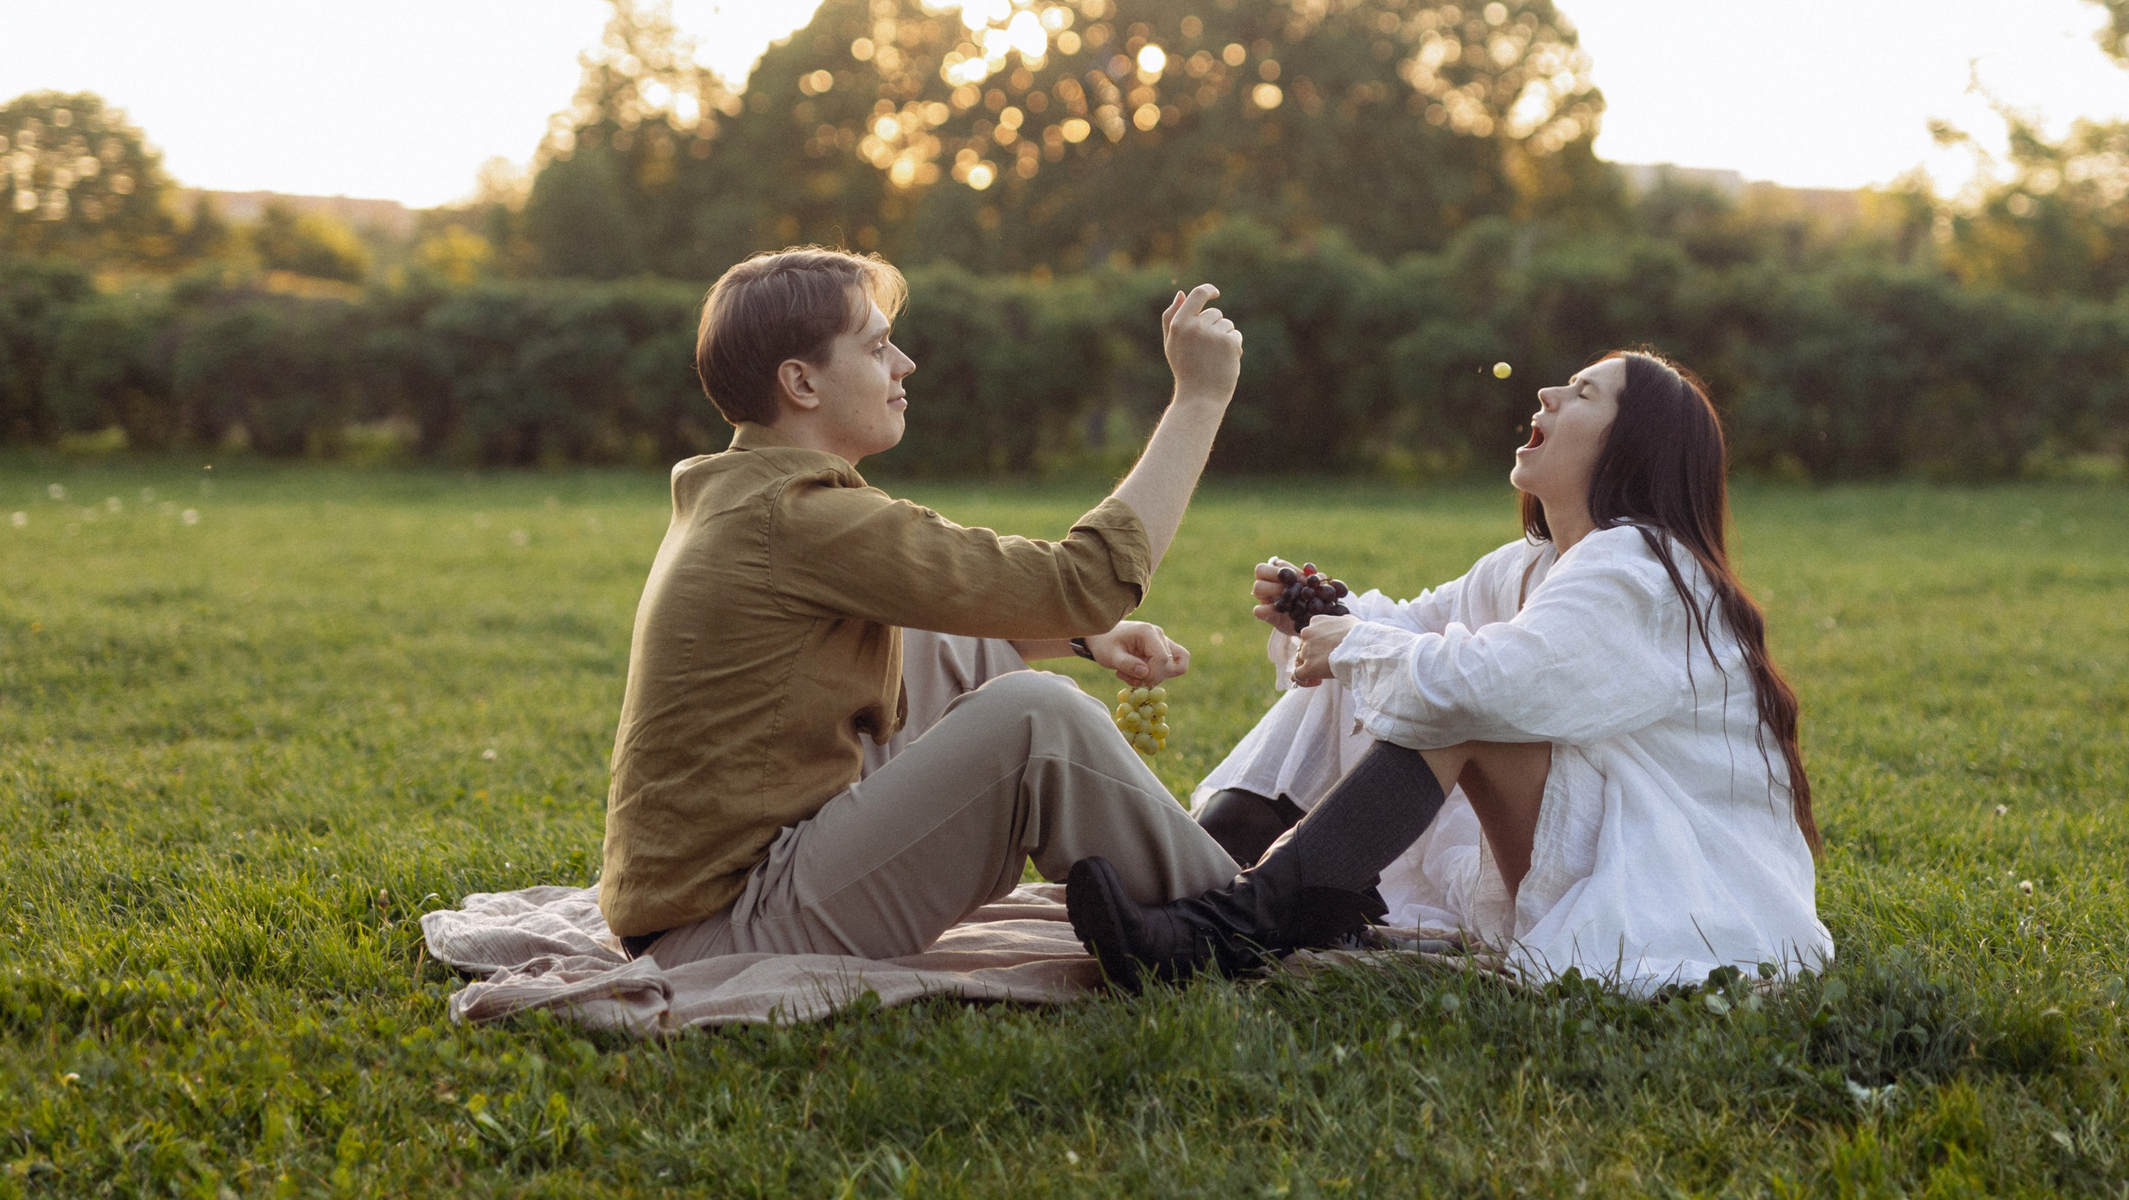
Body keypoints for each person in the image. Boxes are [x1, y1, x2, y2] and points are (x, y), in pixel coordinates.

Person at [1065, 350, 1831, 995]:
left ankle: (1223, 930)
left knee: (1450, 702)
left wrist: (1355, 642)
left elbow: (1495, 685)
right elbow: (1412, 631)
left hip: (1654, 881)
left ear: (1634, 447)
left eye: (1584, 393)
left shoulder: (1646, 571)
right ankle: (1204, 865)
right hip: (1567, 841)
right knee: (1375, 663)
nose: (1548, 394)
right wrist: (1325, 614)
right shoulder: (1533, 564)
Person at [596, 247, 1245, 965]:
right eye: (876, 347)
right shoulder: (804, 519)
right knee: (1037, 719)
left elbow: (995, 609)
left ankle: (1202, 896)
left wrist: (1088, 638)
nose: (904, 363)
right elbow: (1086, 581)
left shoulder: (750, 494)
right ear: (801, 381)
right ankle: (1246, 916)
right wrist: (1199, 399)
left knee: (930, 637)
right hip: (728, 929)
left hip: (701, 905)